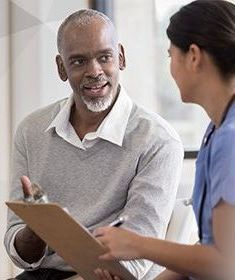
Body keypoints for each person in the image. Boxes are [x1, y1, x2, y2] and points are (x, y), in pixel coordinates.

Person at [4, 9, 183, 280]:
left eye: (104, 57)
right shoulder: (31, 130)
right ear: (61, 68)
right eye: (78, 61)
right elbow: (18, 250)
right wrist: (36, 231)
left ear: (120, 57)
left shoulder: (158, 140)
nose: (94, 71)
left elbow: (137, 256)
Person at [94, 1, 235, 280]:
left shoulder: (230, 140)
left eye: (171, 55)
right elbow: (209, 248)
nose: (169, 68)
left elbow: (226, 264)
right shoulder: (215, 132)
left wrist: (138, 245)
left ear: (193, 56)